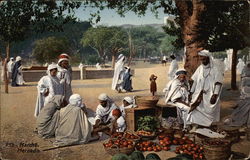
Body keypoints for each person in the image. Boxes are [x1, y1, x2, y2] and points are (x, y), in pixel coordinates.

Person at [187, 50, 223, 131]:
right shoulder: (200, 68)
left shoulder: (215, 69)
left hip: (210, 93)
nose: (202, 61)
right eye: (201, 59)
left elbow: (218, 83)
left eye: (204, 59)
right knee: (195, 107)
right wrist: (191, 92)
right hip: (198, 93)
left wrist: (215, 94)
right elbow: (195, 81)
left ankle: (209, 126)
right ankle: (196, 125)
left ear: (208, 58)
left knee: (210, 110)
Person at [224, 62, 250, 127]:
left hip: (246, 93)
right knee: (244, 104)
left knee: (245, 103)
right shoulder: (245, 75)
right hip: (246, 92)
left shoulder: (245, 77)